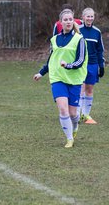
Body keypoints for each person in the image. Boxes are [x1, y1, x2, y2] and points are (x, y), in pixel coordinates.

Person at [33, 9, 88, 148]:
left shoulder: (79, 39)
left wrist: (68, 65)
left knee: (73, 113)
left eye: (71, 19)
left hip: (74, 80)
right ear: (60, 22)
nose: (69, 22)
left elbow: (80, 60)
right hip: (57, 78)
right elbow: (51, 60)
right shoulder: (54, 39)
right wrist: (41, 73)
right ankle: (69, 139)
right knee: (63, 110)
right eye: (66, 20)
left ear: (73, 21)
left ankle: (75, 127)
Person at [77, 8, 105, 124]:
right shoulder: (77, 30)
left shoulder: (97, 32)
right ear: (83, 17)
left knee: (89, 89)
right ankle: (78, 114)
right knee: (81, 89)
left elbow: (100, 50)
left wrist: (101, 65)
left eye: (91, 16)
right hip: (80, 64)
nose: (89, 18)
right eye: (87, 16)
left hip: (93, 64)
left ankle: (86, 115)